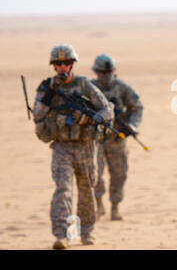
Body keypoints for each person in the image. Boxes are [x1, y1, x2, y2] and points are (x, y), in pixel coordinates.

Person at [33, 44, 114, 249]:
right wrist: (50, 91)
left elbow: (107, 109)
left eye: (66, 63)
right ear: (53, 66)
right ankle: (62, 234)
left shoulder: (84, 85)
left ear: (72, 64)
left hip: (86, 146)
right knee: (64, 188)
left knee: (87, 189)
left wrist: (90, 118)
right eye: (58, 63)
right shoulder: (46, 88)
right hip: (62, 146)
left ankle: (86, 232)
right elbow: (38, 115)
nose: (62, 67)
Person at [91, 54, 143, 221]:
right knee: (95, 174)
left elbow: (137, 107)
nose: (105, 76)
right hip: (96, 140)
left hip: (117, 138)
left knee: (119, 173)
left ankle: (115, 206)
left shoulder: (122, 88)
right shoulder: (90, 89)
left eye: (108, 73)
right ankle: (98, 203)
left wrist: (132, 126)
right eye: (101, 73)